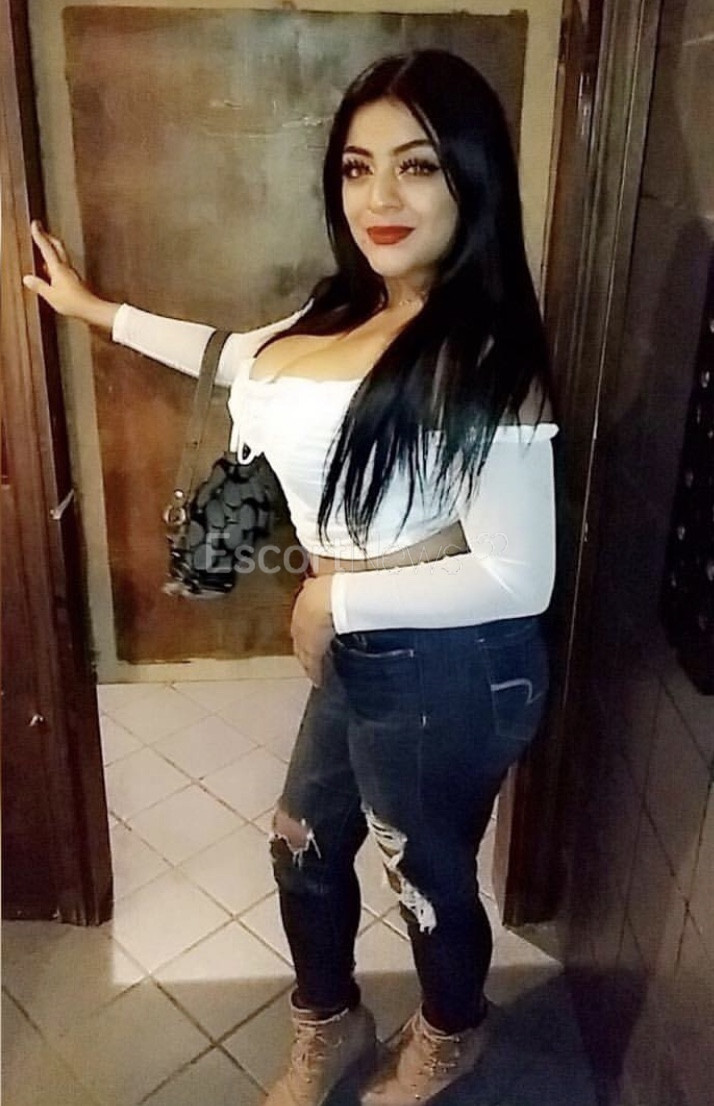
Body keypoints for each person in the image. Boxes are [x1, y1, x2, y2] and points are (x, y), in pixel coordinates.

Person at [23, 48, 558, 1106]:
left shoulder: (484, 355)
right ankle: (330, 1018)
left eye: (417, 165)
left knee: (425, 874)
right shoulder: (334, 310)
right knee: (303, 848)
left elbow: (519, 576)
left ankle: (452, 1030)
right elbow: (236, 355)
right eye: (358, 168)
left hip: (452, 666)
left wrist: (332, 596)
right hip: (362, 648)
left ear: (474, 178)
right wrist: (95, 311)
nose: (381, 197)